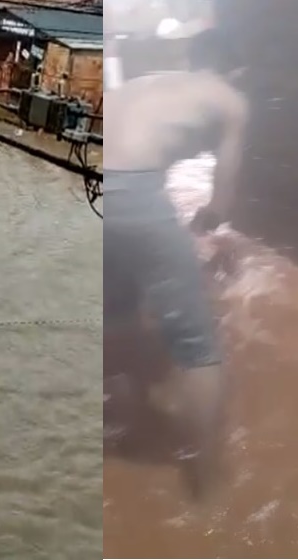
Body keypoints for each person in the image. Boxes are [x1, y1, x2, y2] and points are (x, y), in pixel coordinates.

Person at [104, 28, 248, 500]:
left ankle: (123, 429)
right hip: (134, 192)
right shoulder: (230, 99)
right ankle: (206, 487)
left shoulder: (146, 82)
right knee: (198, 347)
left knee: (117, 318)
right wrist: (206, 228)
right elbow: (222, 203)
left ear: (192, 58)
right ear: (237, 70)